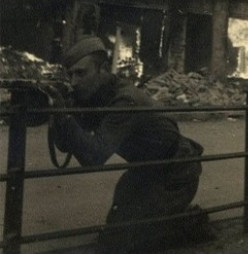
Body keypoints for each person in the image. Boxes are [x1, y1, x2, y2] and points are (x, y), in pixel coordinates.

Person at [48, 36, 213, 253]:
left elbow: (93, 157)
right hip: (145, 171)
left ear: (104, 69)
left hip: (176, 173)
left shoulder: (124, 100)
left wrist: (65, 117)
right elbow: (68, 147)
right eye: (70, 75)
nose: (74, 82)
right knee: (115, 233)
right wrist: (59, 116)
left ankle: (192, 221)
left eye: (81, 73)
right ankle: (167, 220)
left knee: (127, 242)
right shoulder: (95, 95)